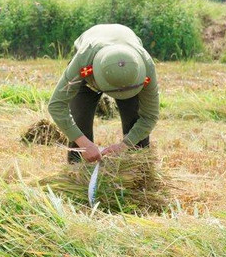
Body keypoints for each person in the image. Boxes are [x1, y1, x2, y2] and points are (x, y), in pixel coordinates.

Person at [47, 23, 160, 163]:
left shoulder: (145, 66)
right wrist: (83, 143)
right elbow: (56, 105)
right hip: (90, 63)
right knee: (79, 122)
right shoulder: (83, 61)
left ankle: (139, 175)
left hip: (128, 71)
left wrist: (125, 145)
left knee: (135, 124)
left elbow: (150, 116)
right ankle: (77, 175)